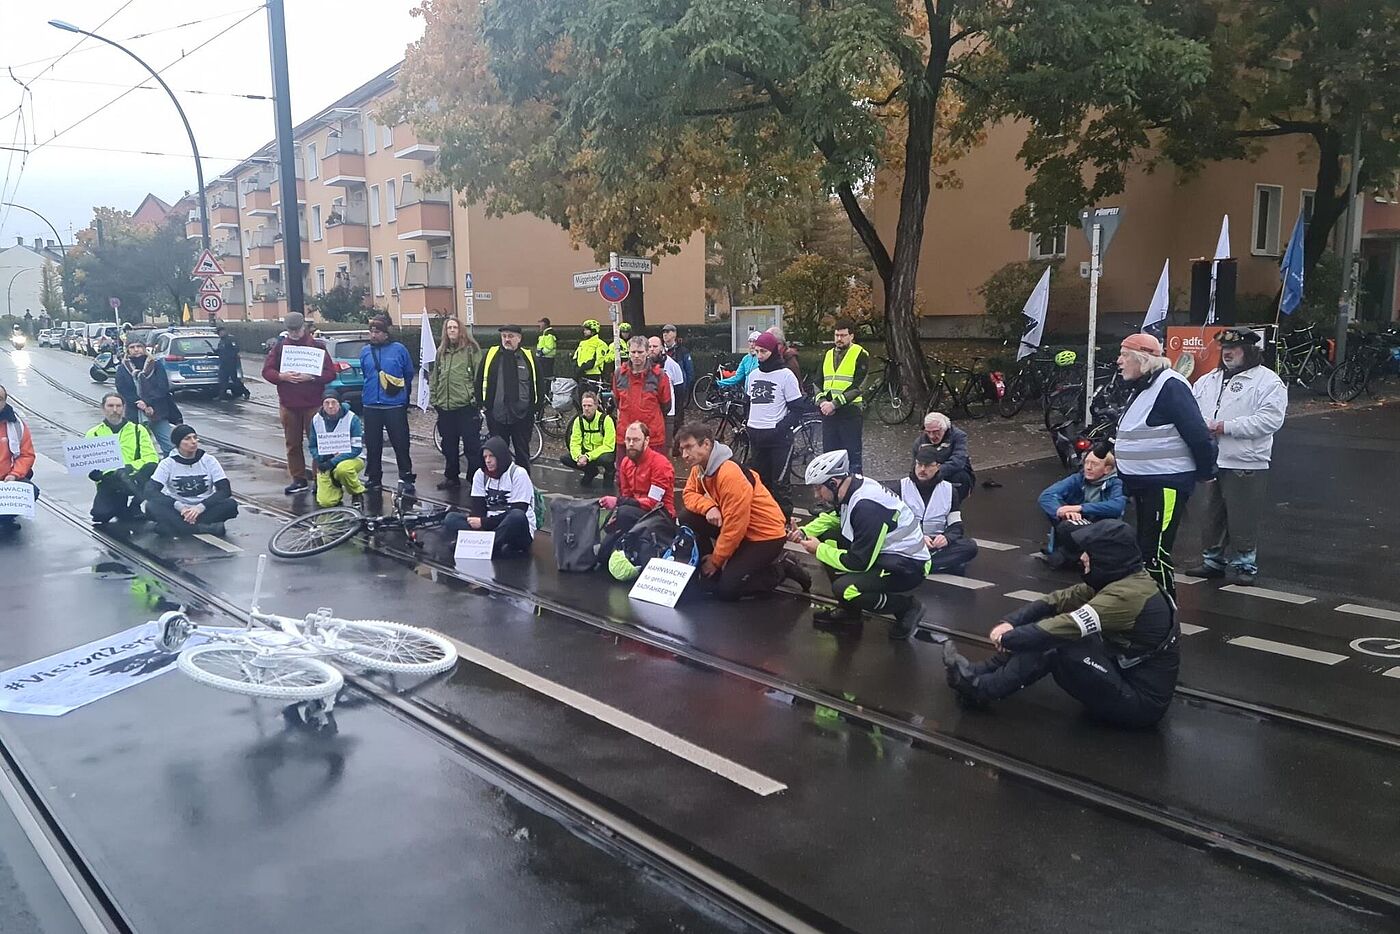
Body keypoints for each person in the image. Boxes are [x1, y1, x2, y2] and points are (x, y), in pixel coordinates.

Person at [943, 520, 1178, 728]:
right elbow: (1056, 600)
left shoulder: (1125, 595)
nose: (1082, 557)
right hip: (1122, 671)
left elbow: (1067, 625)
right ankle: (978, 671)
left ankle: (980, 690)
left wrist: (1009, 638)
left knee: (1057, 643)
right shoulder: (1123, 578)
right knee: (1046, 628)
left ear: (1108, 557)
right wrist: (1010, 623)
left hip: (1139, 705)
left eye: (1089, 552)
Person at [1114, 333, 1216, 599]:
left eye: (1124, 355)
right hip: (1145, 483)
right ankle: (1145, 607)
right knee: (1144, 550)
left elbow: (1198, 434)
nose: (1119, 361)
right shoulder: (1145, 385)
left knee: (1155, 552)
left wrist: (1206, 472)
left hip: (1166, 484)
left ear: (1143, 359)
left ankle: (1164, 612)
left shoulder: (1170, 386)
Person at [792, 450, 929, 639]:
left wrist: (819, 549)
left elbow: (858, 562)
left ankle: (907, 608)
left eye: (818, 488)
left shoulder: (867, 508)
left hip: (908, 565)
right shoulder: (850, 485)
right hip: (884, 553)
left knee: (845, 589)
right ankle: (849, 612)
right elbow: (836, 516)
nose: (816, 495)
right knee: (828, 535)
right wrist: (805, 531)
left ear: (833, 483)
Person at [1187, 327, 1287, 585]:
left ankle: (1245, 564)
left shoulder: (1268, 382)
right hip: (1211, 460)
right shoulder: (1209, 379)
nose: (1227, 354)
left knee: (1243, 516)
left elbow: (1269, 421)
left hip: (1246, 460)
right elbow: (1192, 409)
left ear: (1250, 351)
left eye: (1234, 349)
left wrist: (1224, 427)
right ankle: (1212, 560)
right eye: (1224, 350)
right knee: (1210, 514)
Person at [676, 422, 808, 600]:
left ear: (706, 444)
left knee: (727, 591)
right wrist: (709, 507)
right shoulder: (699, 467)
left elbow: (735, 525)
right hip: (742, 530)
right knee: (687, 516)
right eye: (682, 449)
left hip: (765, 536)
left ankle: (782, 567)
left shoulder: (729, 474)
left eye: (688, 447)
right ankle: (706, 567)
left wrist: (717, 560)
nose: (684, 455)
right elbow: (689, 494)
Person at [261, 312, 337, 494]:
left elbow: (330, 373)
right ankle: (298, 478)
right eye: (291, 330)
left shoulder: (317, 347)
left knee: (318, 443)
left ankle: (320, 478)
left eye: (297, 329)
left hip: (313, 404)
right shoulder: (280, 348)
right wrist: (281, 376)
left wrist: (311, 377)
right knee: (292, 443)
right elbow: (267, 371)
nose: (294, 333)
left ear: (304, 327)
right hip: (289, 404)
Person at [444, 436, 537, 558]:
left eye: (491, 456)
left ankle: (481, 545)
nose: (488, 461)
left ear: (501, 457)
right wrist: (477, 520)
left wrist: (483, 522)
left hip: (514, 529)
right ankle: (488, 543)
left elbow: (519, 509)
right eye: (485, 457)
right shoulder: (480, 474)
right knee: (451, 518)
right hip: (489, 527)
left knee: (517, 516)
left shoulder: (518, 474)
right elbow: (478, 508)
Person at [1036, 449, 1126, 569]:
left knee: (1067, 528)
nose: (1088, 467)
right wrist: (1060, 510)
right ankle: (1076, 557)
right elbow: (1046, 496)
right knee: (1064, 521)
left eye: (1094, 464)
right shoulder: (1078, 478)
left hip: (1103, 529)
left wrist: (1080, 508)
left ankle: (1074, 557)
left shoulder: (1116, 482)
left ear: (1107, 469)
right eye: (1087, 463)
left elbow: (1117, 506)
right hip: (1081, 524)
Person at [143, 426, 239, 537]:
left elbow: (225, 490)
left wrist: (200, 507)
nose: (193, 442)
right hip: (179, 511)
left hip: (204, 510)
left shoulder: (209, 460)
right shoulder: (168, 463)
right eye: (187, 439)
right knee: (151, 506)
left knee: (230, 504)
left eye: (195, 437)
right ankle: (202, 528)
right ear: (178, 443)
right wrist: (180, 507)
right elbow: (150, 491)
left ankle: (175, 527)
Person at [359, 314, 417, 492]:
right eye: (371, 331)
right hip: (371, 404)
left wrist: (403, 395)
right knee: (372, 444)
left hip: (394, 404)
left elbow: (408, 373)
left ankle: (406, 475)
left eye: (377, 331)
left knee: (400, 442)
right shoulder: (365, 351)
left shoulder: (399, 349)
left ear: (386, 333)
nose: (373, 335)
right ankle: (374, 477)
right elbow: (365, 372)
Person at [745, 331, 804, 506]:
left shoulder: (786, 375)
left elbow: (797, 409)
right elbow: (749, 403)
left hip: (778, 440)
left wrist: (780, 428)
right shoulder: (753, 375)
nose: (760, 356)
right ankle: (763, 523)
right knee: (759, 485)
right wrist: (748, 424)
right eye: (757, 351)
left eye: (764, 351)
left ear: (773, 351)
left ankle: (783, 524)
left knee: (780, 485)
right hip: (757, 437)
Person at [902, 444, 980, 575]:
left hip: (936, 545)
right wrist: (918, 538)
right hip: (910, 543)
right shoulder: (901, 487)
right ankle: (936, 564)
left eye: (927, 466)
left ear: (937, 466)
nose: (922, 469)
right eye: (919, 465)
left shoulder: (950, 490)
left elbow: (956, 525)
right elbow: (894, 526)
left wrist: (947, 538)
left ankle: (921, 565)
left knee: (970, 546)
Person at [85, 393, 159, 524]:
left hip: (133, 477)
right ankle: (120, 506)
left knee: (152, 468)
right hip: (110, 480)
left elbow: (151, 457)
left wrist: (129, 467)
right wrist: (94, 473)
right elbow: (88, 462)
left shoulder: (138, 430)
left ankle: (135, 505)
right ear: (103, 408)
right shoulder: (93, 433)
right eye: (110, 406)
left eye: (118, 406)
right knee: (100, 515)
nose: (114, 410)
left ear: (124, 408)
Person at [429, 317, 483, 491]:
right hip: (445, 407)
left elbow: (478, 376)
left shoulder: (471, 350)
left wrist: (475, 399)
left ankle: (474, 478)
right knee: (448, 445)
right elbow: (435, 376)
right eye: (449, 328)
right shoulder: (441, 352)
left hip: (466, 406)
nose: (451, 330)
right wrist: (435, 398)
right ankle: (451, 477)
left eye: (455, 327)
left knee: (471, 446)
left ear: (461, 330)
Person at [478, 324, 538, 471]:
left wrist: (534, 408)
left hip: (522, 416)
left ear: (519, 338)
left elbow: (538, 384)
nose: (506, 340)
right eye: (504, 336)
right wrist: (484, 406)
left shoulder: (528, 357)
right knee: (498, 453)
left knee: (522, 453)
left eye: (510, 336)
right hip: (497, 414)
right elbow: (479, 379)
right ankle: (501, 484)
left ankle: (523, 486)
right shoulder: (492, 355)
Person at [116, 336, 183, 457]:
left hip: (157, 411)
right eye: (132, 347)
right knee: (136, 447)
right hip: (134, 413)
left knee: (170, 446)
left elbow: (162, 387)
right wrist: (138, 402)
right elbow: (123, 390)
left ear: (144, 348)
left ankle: (168, 470)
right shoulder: (122, 369)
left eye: (139, 346)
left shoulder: (156, 365)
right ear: (127, 350)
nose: (136, 350)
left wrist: (148, 403)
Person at [816, 319, 869, 474]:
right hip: (829, 413)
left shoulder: (860, 354)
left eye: (843, 335)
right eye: (837, 335)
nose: (839, 339)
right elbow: (817, 382)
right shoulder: (828, 354)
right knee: (830, 457)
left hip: (850, 412)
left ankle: (854, 490)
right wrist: (822, 402)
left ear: (851, 336)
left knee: (852, 456)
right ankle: (831, 493)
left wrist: (834, 404)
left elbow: (859, 386)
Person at [613, 336, 670, 458]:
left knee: (655, 473)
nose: (636, 356)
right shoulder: (619, 374)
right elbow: (617, 401)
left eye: (640, 352)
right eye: (633, 352)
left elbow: (666, 405)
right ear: (628, 353)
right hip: (626, 436)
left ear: (647, 352)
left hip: (652, 436)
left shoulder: (659, 375)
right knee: (624, 472)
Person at [307, 390, 366, 508]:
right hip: (326, 460)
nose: (330, 406)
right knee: (326, 502)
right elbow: (313, 446)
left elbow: (356, 448)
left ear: (339, 403)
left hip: (352, 458)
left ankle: (357, 492)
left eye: (333, 402)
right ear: (322, 405)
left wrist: (333, 461)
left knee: (343, 470)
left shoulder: (352, 419)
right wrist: (321, 457)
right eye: (326, 403)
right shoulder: (316, 419)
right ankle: (335, 484)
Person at [909, 412, 975, 500]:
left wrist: (935, 472)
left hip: (953, 475)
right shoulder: (919, 442)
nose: (932, 436)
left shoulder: (958, 436)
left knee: (960, 476)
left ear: (944, 429)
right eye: (928, 432)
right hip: (929, 475)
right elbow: (914, 466)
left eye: (936, 432)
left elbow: (958, 461)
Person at [0, 384, 37, 532]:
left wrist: (14, 475)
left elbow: (26, 455)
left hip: (5, 480)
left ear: (5, 402)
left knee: (31, 490)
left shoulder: (16, 424)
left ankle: (5, 518)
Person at [560, 391, 616, 485]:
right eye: (584, 405)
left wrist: (588, 456)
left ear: (596, 406)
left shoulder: (606, 420)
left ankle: (609, 473)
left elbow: (609, 446)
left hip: (600, 454)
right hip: (586, 454)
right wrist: (578, 457)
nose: (586, 408)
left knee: (607, 459)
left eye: (589, 406)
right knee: (565, 458)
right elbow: (574, 443)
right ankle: (591, 471)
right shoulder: (579, 421)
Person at [648, 335, 686, 451]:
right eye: (649, 346)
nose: (652, 349)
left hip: (668, 414)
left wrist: (676, 412)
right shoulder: (642, 366)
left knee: (664, 449)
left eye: (655, 346)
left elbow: (680, 389)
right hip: (649, 414)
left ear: (662, 348)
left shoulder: (672, 365)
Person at [661, 324, 693, 412]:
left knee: (678, 414)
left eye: (667, 332)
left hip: (679, 388)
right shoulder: (660, 351)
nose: (665, 334)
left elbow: (689, 371)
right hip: (663, 389)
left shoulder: (683, 351)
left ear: (674, 334)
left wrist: (686, 388)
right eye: (663, 332)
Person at [214, 325, 250, 400]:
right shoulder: (221, 341)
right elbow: (221, 351)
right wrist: (214, 352)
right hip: (223, 364)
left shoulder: (231, 339)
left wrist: (230, 358)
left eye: (220, 332)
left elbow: (236, 349)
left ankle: (246, 392)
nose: (220, 334)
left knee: (235, 380)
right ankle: (222, 395)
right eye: (218, 333)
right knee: (223, 380)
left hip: (231, 363)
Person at [574, 319, 610, 385]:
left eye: (587, 330)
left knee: (593, 394)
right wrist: (576, 368)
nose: (584, 331)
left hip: (594, 374)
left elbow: (599, 359)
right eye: (584, 329)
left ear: (593, 331)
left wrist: (584, 367)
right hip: (581, 374)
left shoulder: (600, 344)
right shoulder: (582, 343)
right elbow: (576, 356)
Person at [535, 317, 557, 390]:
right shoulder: (545, 334)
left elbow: (550, 347)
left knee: (546, 377)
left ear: (545, 324)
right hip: (543, 358)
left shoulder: (549, 334)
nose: (540, 325)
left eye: (541, 323)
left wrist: (542, 352)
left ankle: (547, 391)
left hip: (546, 359)